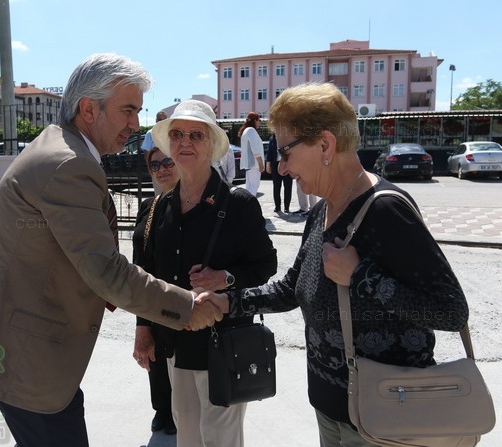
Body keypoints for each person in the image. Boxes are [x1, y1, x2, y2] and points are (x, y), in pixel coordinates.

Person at [0, 53, 223, 447]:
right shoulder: (68, 164)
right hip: (31, 361)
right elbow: (107, 272)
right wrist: (188, 306)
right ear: (89, 108)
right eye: (127, 110)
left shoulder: (63, 150)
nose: (135, 125)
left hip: (30, 355)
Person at [197, 82, 470, 446]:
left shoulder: (386, 210)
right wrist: (229, 301)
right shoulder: (323, 208)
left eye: (286, 151)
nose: (280, 166)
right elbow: (292, 287)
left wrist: (360, 275)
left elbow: (452, 312)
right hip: (330, 404)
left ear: (325, 145)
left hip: (383, 413)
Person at [146, 99, 277, 447]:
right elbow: (151, 273)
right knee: (186, 435)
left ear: (212, 144)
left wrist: (224, 278)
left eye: (195, 135)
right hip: (177, 342)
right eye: (177, 134)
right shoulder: (161, 205)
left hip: (224, 345)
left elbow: (266, 265)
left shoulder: (237, 203)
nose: (185, 142)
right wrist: (145, 330)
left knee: (220, 439)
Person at [132, 147, 180, 435]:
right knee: (154, 355)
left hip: (182, 299)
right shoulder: (148, 206)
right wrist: (141, 322)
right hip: (151, 300)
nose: (162, 169)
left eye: (167, 162)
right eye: (155, 165)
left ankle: (176, 412)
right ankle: (162, 410)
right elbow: (140, 264)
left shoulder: (194, 206)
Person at [238, 112, 264, 196]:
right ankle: (249, 207)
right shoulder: (251, 130)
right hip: (254, 164)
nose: (259, 122)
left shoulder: (246, 130)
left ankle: (245, 208)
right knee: (254, 186)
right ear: (255, 120)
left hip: (249, 164)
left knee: (249, 187)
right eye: (259, 120)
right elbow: (255, 148)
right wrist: (260, 163)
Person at [266, 134, 293, 213]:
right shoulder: (272, 138)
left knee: (288, 186)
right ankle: (277, 206)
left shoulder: (287, 137)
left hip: (286, 164)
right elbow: (270, 152)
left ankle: (286, 207)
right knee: (276, 187)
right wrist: (268, 163)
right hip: (275, 165)